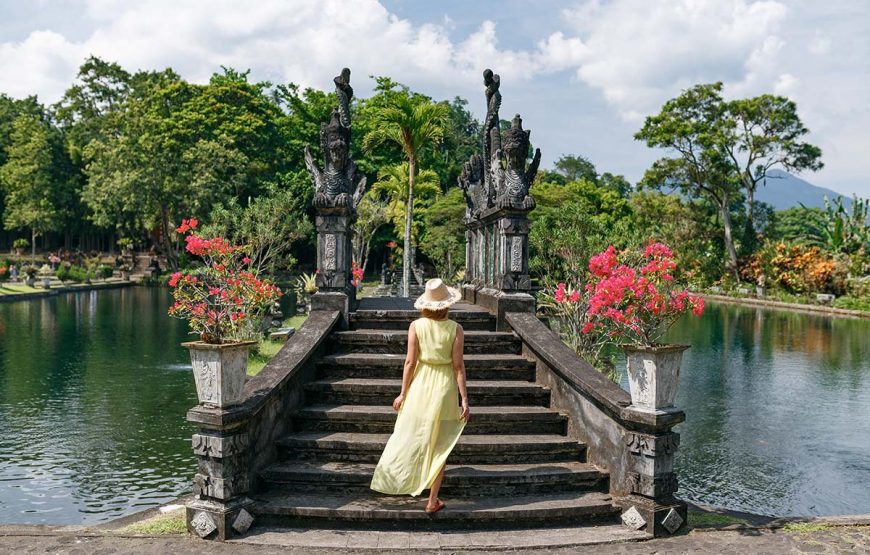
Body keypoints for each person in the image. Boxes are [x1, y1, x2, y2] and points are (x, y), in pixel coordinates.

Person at [370, 278, 470, 514]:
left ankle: (399, 478)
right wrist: (464, 399)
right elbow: (458, 367)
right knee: (440, 445)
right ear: (447, 304)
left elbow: (409, 362)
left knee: (411, 434)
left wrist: (403, 393)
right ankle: (432, 500)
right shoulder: (456, 329)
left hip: (421, 385)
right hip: (445, 386)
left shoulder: (416, 326)